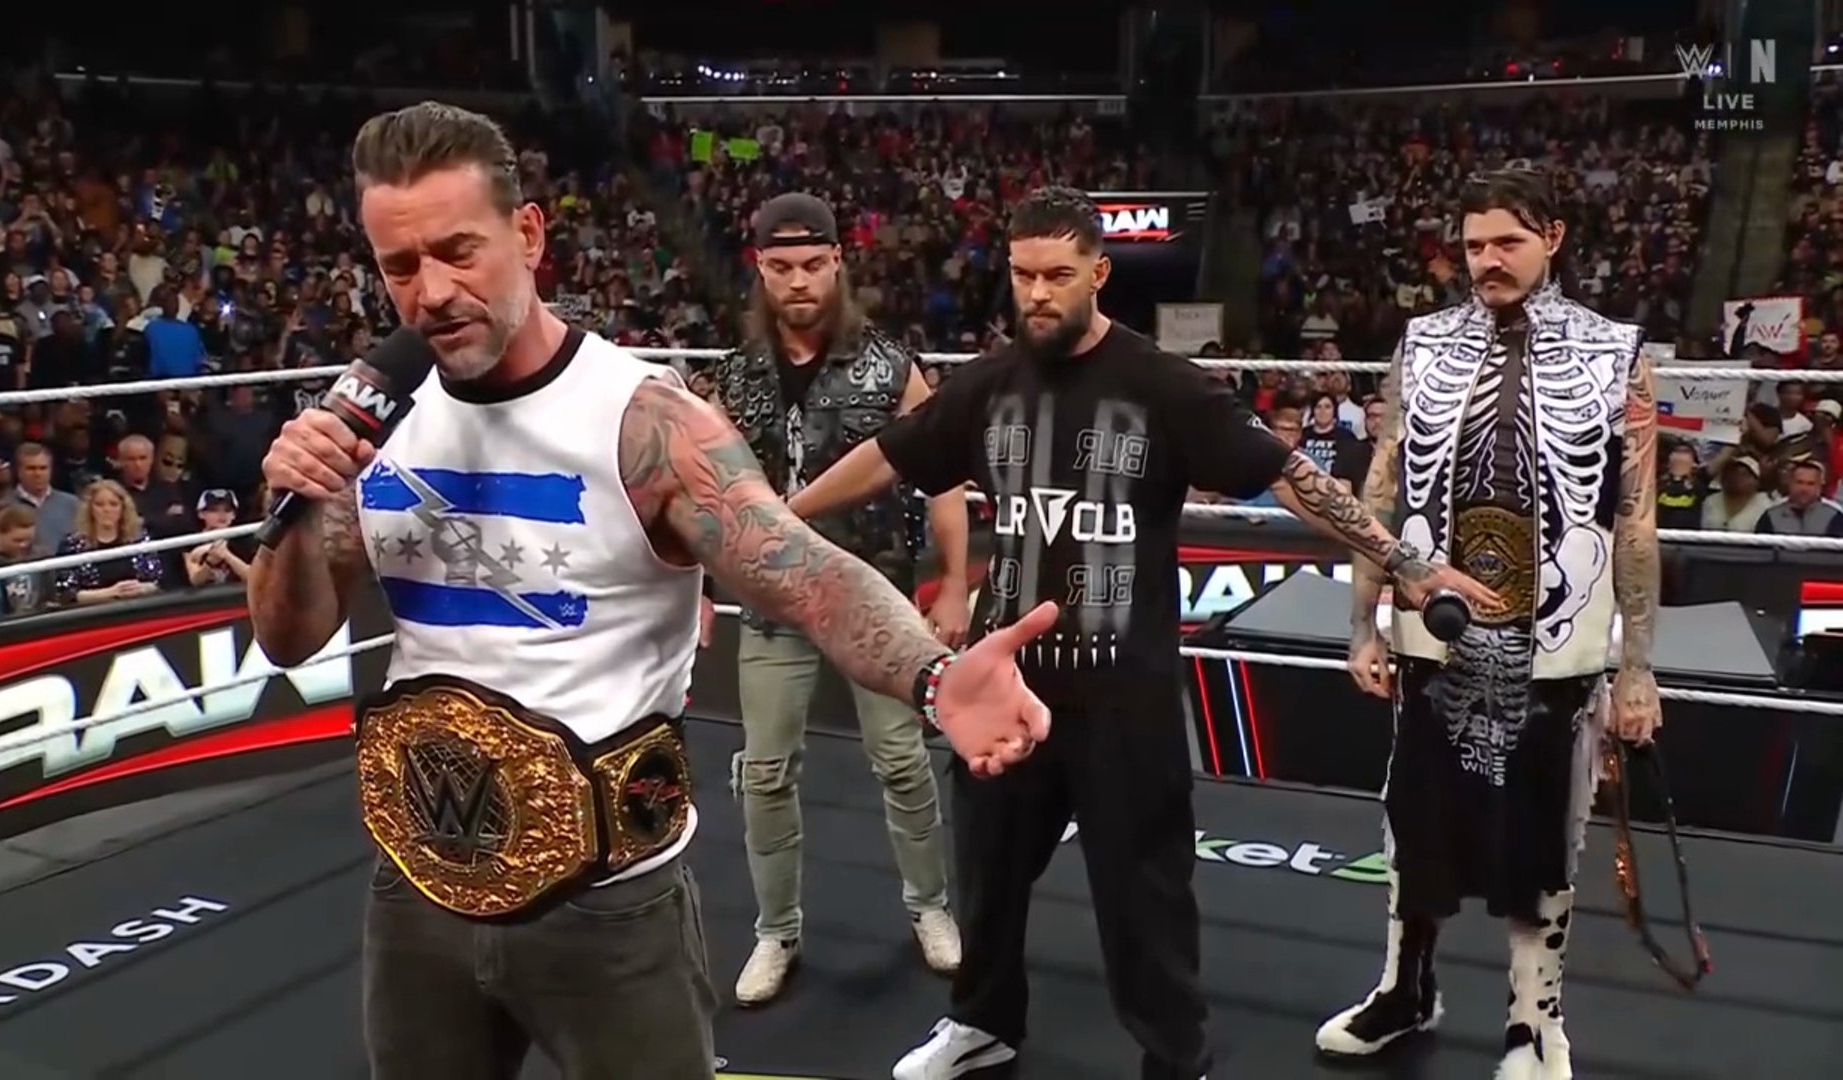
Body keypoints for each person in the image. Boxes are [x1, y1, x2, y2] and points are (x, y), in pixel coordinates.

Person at [244, 101, 1058, 1080]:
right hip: (417, 888)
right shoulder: (364, 419)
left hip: (608, 906)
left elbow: (806, 572)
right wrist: (298, 507)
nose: (434, 291)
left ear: (528, 234)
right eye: (401, 266)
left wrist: (934, 676)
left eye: (459, 252)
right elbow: (288, 636)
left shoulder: (644, 421)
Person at [788, 185, 1494, 1080]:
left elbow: (1288, 475)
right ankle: (981, 1021)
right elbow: (893, 453)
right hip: (1007, 685)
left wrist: (1407, 563)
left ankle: (1175, 1054)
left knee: (1144, 896)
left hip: (1126, 696)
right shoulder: (988, 384)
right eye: (1023, 275)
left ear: (1099, 274)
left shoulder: (1162, 384)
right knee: (987, 875)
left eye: (1057, 275)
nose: (1037, 293)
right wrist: (775, 522)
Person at [1322, 168, 1663, 1080]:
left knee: (1545, 833)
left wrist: (1638, 665)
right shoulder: (1422, 343)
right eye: (1474, 246)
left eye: (1507, 241)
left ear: (1552, 237)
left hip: (1559, 636)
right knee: (1413, 822)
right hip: (1434, 630)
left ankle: (1535, 1018)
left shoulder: (1615, 352)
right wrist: (1361, 621)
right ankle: (1404, 989)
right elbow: (1381, 488)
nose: (1487, 261)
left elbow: (1635, 518)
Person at [709, 192, 971, 1006]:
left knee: (902, 761)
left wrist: (954, 583)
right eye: (782, 266)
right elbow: (703, 494)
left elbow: (944, 477)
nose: (799, 281)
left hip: (874, 596)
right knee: (764, 771)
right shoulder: (735, 377)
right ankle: (776, 930)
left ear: (837, 264)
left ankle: (930, 907)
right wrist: (695, 584)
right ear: (760, 269)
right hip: (773, 599)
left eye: (813, 265)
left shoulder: (892, 367)